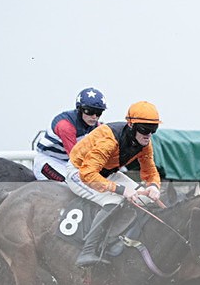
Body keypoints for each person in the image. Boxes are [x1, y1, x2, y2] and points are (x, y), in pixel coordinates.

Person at [66, 101, 162, 267]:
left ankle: (124, 239)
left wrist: (153, 186)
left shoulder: (145, 143)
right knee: (113, 200)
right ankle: (87, 250)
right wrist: (121, 190)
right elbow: (88, 174)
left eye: (153, 130)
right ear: (131, 125)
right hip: (79, 173)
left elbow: (150, 170)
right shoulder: (109, 140)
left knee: (146, 200)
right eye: (145, 130)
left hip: (107, 173)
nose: (148, 135)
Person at [34, 87, 107, 181]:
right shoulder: (65, 125)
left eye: (98, 113)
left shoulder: (96, 125)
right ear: (79, 109)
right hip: (49, 162)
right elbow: (75, 157)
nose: (94, 117)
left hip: (68, 164)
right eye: (89, 111)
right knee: (77, 184)